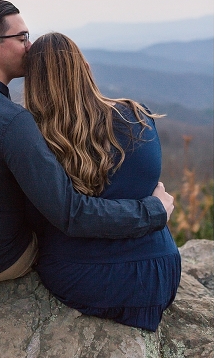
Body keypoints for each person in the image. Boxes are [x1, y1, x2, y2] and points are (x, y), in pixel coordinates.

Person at [0, 0, 174, 283]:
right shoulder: (13, 121)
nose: (29, 46)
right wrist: (154, 210)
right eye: (21, 38)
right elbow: (70, 213)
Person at [23, 32, 180, 331]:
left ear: (33, 84)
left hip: (83, 274)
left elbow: (37, 218)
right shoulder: (139, 116)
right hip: (160, 271)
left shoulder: (36, 138)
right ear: (86, 68)